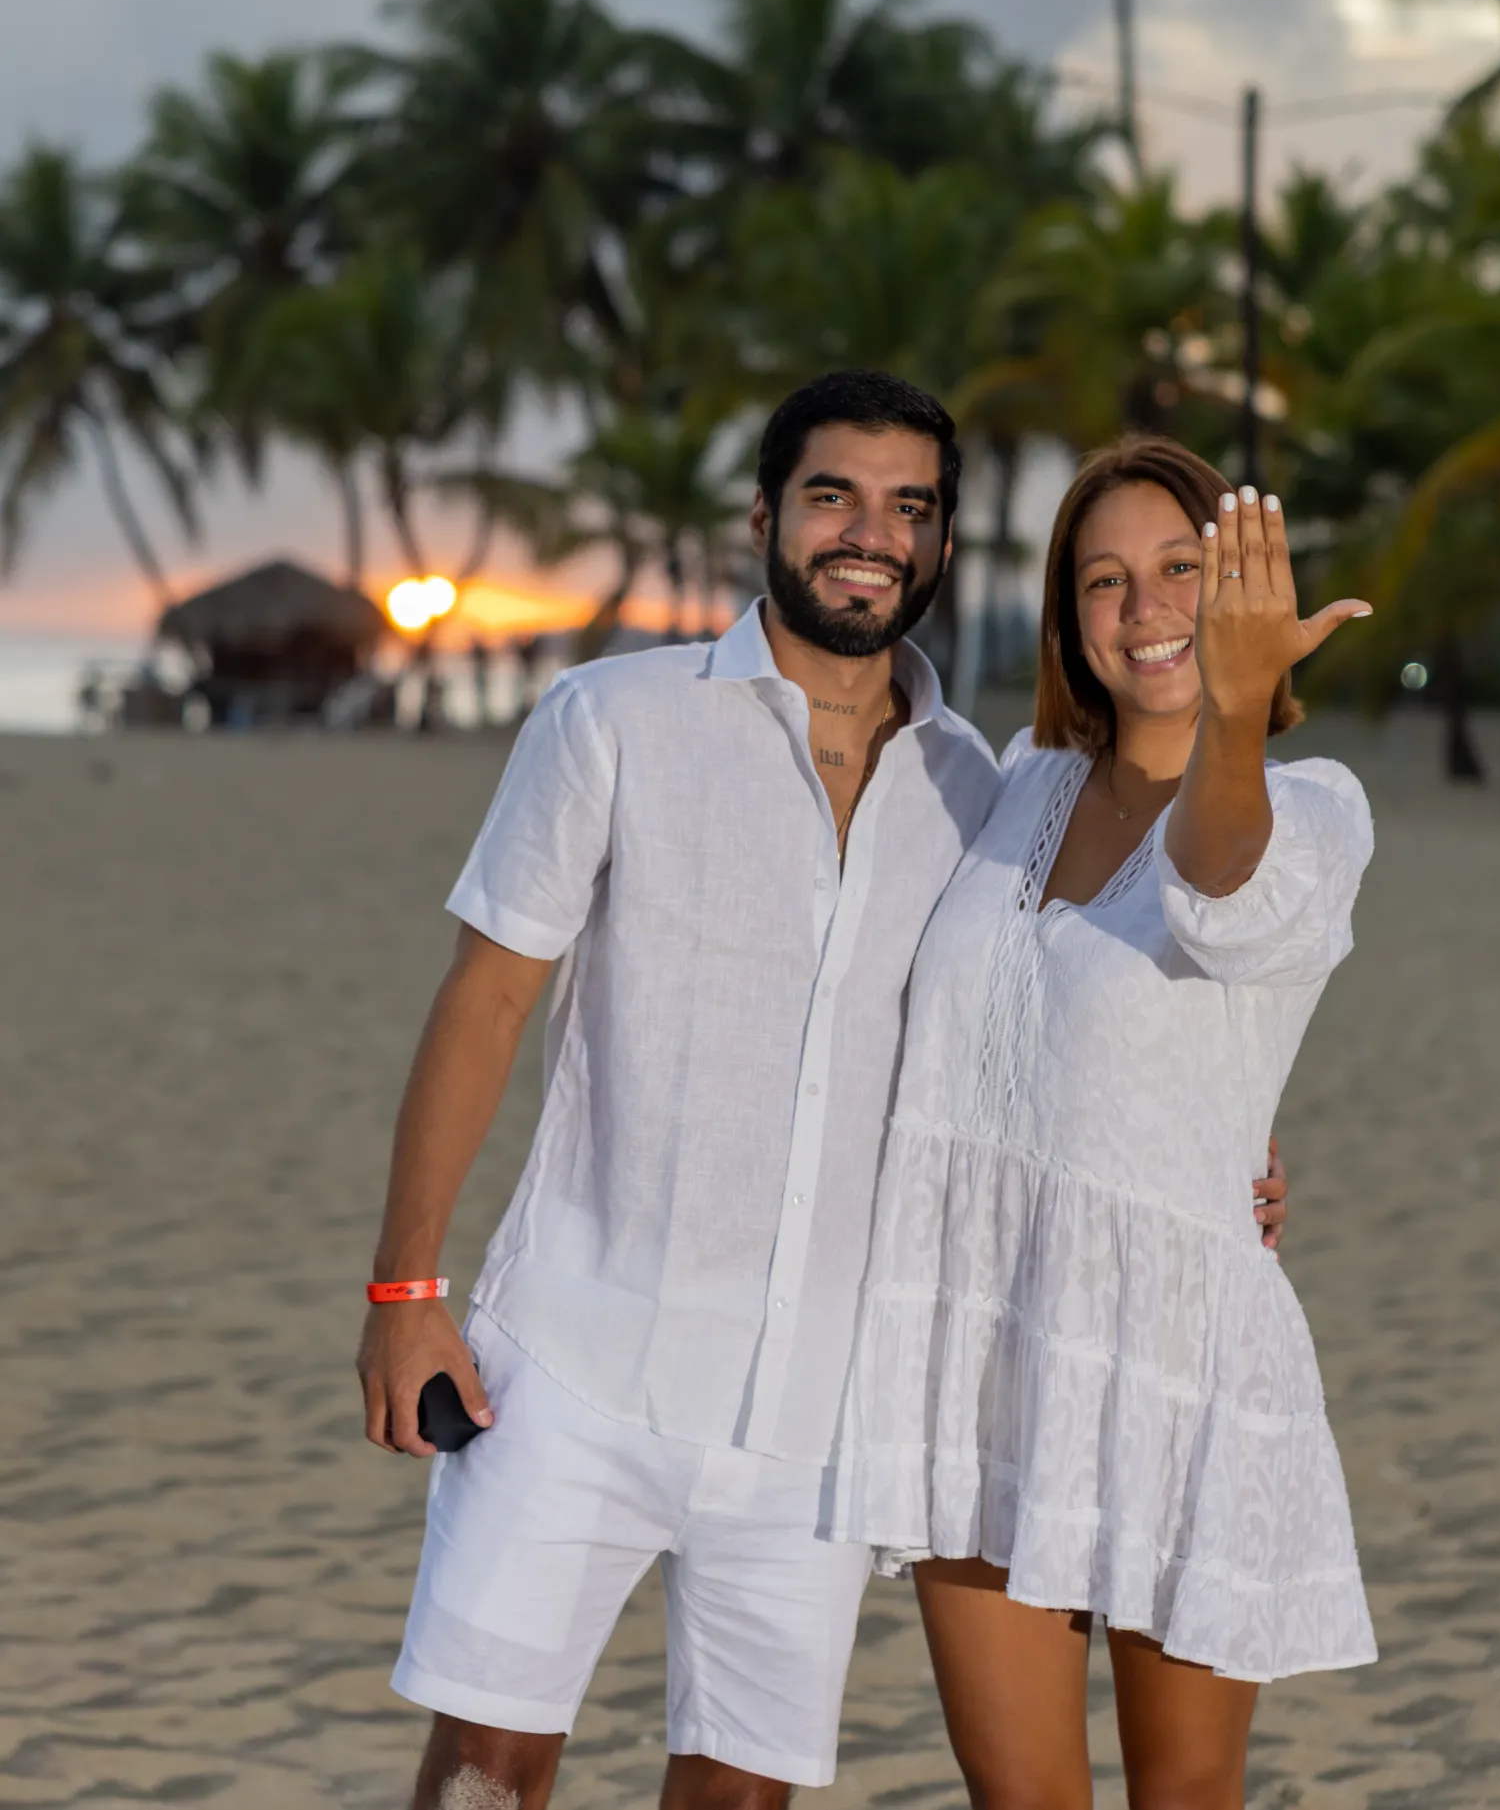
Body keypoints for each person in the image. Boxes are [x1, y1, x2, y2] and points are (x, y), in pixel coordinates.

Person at [357, 376, 1288, 1810]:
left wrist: (1230, 1149)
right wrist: (401, 1292)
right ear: (764, 516)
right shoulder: (612, 718)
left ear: (940, 548)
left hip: (817, 1417)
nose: (871, 534)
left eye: (909, 507)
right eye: (833, 496)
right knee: (485, 1772)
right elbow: (486, 999)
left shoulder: (982, 790)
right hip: (574, 1363)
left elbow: (1072, 1020)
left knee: (738, 1797)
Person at [830, 436, 1376, 1810]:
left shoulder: (1311, 813)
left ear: (1241, 594)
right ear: (1069, 620)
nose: (1147, 612)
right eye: (1105, 581)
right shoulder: (1018, 787)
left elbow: (1217, 891)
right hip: (974, 1348)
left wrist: (1238, 717)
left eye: (1183, 571)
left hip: (1168, 1370)